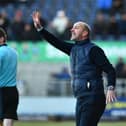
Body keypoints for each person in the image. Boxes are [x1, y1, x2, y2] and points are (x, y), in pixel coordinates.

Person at [32, 11, 116, 126]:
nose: (72, 29)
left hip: (94, 97)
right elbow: (55, 41)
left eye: (76, 28)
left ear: (85, 33)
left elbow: (110, 70)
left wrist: (110, 87)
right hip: (81, 97)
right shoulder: (73, 49)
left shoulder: (94, 50)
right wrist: (40, 29)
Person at [0, 28, 19, 126]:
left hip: (1, 91)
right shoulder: (14, 52)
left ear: (2, 39)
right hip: (13, 90)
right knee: (9, 118)